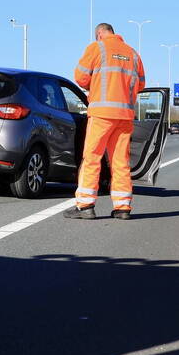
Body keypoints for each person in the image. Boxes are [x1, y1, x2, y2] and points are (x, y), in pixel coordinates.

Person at [68, 23, 145, 220]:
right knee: (120, 162)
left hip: (102, 114)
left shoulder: (97, 47)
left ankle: (85, 205)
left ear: (99, 34)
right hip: (125, 116)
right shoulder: (133, 54)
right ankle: (123, 207)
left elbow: (81, 77)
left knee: (92, 158)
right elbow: (141, 84)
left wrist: (96, 83)